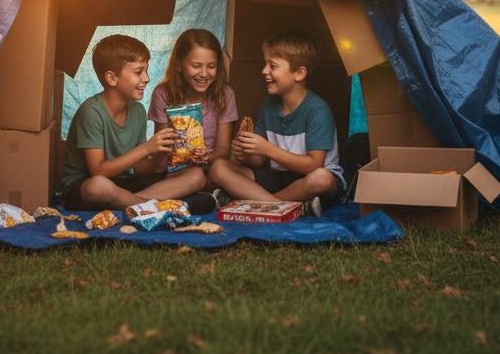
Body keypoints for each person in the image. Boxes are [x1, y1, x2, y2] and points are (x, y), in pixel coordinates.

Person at [59, 34, 214, 214]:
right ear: (111, 78)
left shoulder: (138, 111)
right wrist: (147, 148)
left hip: (124, 184)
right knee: (98, 186)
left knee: (195, 176)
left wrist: (159, 152)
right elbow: (98, 171)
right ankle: (153, 208)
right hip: (85, 186)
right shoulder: (91, 112)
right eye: (138, 72)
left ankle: (133, 205)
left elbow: (140, 170)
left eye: (146, 71)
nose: (147, 78)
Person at [209, 31, 346, 217]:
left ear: (299, 73)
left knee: (321, 179)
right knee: (218, 167)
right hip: (279, 178)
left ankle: (254, 202)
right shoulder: (268, 105)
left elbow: (314, 166)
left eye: (272, 66)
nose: (264, 70)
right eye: (266, 64)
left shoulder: (318, 111)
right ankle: (282, 206)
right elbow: (258, 161)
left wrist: (266, 149)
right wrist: (245, 153)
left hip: (310, 178)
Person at [147, 29, 238, 189]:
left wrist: (205, 157)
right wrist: (185, 156)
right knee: (193, 178)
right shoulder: (162, 94)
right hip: (175, 173)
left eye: (211, 66)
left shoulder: (225, 94)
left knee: (218, 174)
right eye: (196, 66)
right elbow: (161, 148)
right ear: (179, 65)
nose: (204, 74)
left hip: (211, 169)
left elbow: (223, 151)